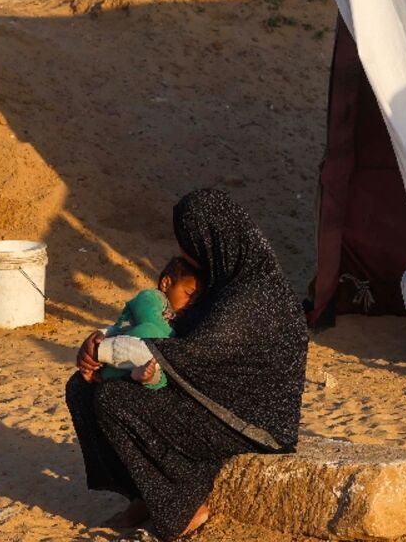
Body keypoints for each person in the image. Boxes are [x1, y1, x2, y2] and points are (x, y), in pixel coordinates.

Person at [66, 189, 309, 539]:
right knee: (82, 389)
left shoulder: (252, 294)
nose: (184, 255)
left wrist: (105, 352)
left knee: (115, 400)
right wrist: (99, 338)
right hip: (209, 396)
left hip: (250, 422)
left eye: (190, 246)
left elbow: (189, 352)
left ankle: (183, 504)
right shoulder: (222, 280)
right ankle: (145, 494)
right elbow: (168, 331)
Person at [93, 257, 201, 389]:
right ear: (166, 284)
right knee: (149, 330)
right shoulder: (151, 297)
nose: (191, 302)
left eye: (196, 299)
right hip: (121, 348)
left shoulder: (178, 317)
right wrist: (176, 345)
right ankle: (108, 374)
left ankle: (148, 378)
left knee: (163, 375)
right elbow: (149, 320)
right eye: (188, 294)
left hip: (138, 362)